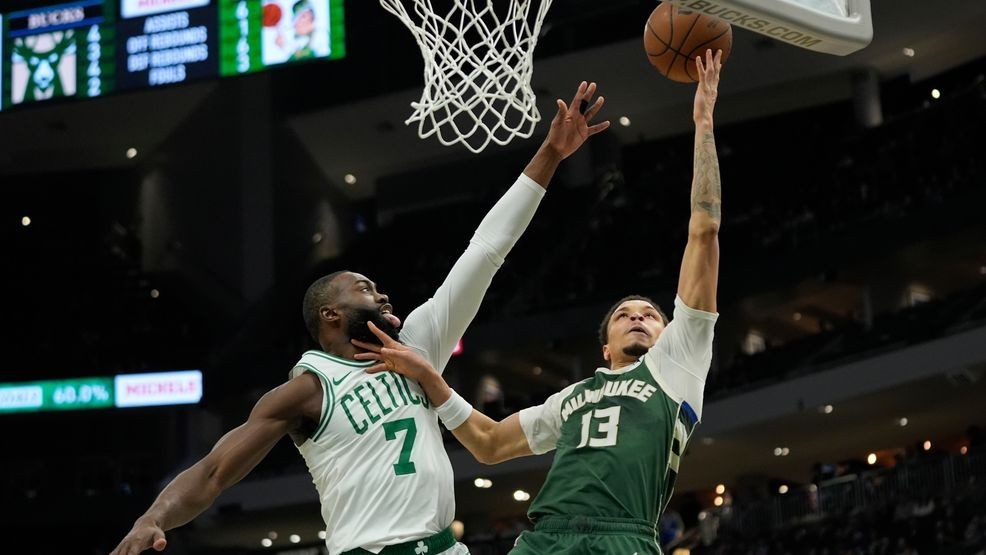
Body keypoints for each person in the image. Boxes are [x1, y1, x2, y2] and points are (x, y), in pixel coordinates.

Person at [108, 81, 610, 555]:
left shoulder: (418, 345)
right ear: (330, 314)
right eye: (366, 289)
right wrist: (153, 517)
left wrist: (550, 155)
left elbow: (487, 250)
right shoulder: (309, 388)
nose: (384, 295)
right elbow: (215, 470)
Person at [353, 50, 724, 555]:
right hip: (543, 539)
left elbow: (703, 232)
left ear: (669, 333)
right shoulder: (569, 400)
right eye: (623, 314)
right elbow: (488, 443)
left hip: (623, 537)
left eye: (652, 315)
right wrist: (427, 376)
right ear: (605, 349)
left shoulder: (678, 362)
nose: (638, 316)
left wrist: (703, 123)